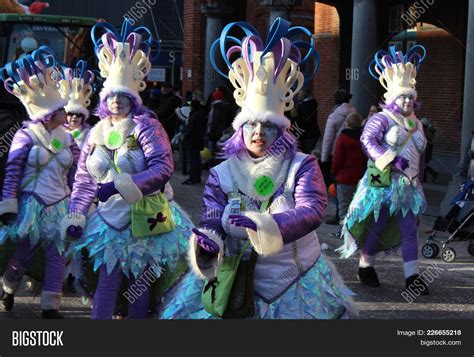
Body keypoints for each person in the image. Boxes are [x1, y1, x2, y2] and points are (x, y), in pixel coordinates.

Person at [159, 18, 357, 319]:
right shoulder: (222, 172)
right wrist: (209, 241)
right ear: (241, 129)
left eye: (268, 126)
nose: (258, 133)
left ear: (282, 131)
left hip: (296, 278)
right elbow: (212, 215)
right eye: (251, 124)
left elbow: (313, 210)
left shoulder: (301, 166)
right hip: (236, 277)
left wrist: (265, 225)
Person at [61, 19, 193, 319]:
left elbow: (163, 167)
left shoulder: (146, 126)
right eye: (112, 96)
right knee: (106, 283)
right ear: (104, 99)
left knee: (139, 286)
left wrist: (121, 184)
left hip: (143, 219)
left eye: (124, 96)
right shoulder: (95, 132)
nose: (117, 101)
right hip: (107, 220)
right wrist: (77, 213)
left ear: (134, 99)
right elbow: (83, 179)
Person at [337, 45, 430, 295]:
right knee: (377, 226)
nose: (408, 100)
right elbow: (366, 142)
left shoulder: (417, 123)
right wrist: (391, 159)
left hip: (408, 186)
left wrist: (417, 178)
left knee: (410, 230)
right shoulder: (382, 119)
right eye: (403, 97)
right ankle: (366, 265)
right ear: (393, 98)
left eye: (410, 96)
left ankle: (413, 278)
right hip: (383, 183)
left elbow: (419, 156)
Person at [0, 47, 80, 318]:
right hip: (32, 203)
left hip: (59, 204)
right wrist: (8, 203)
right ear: (48, 114)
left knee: (57, 255)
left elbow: (76, 172)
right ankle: (8, 288)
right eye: (60, 111)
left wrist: (79, 202)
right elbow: (12, 170)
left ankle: (50, 306)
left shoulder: (68, 138)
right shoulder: (26, 136)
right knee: (24, 253)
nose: (65, 114)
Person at [321, 88, 356, 224]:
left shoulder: (334, 115)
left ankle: (339, 215)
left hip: (336, 153)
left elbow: (328, 139)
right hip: (352, 156)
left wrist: (324, 158)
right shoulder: (354, 112)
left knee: (337, 186)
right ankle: (348, 215)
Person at [331, 112, 366, 225]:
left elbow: (337, 159)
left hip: (343, 177)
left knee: (343, 207)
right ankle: (353, 230)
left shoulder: (343, 138)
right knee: (355, 206)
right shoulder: (363, 138)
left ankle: (344, 231)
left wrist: (334, 172)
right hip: (359, 177)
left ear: (347, 123)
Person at [182, 90, 207, 185]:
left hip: (193, 140)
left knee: (193, 160)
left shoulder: (196, 113)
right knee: (196, 159)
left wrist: (185, 136)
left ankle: (193, 177)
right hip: (197, 139)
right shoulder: (201, 112)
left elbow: (191, 128)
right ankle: (196, 177)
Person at [207, 88, 234, 155]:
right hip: (224, 132)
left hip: (216, 134)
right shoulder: (228, 107)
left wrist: (211, 134)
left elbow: (214, 122)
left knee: (213, 152)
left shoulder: (216, 108)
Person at [295, 88, 320, 154]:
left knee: (305, 153)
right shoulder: (313, 103)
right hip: (313, 133)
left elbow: (300, 121)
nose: (298, 95)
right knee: (308, 152)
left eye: (300, 94)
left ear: (304, 94)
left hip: (306, 134)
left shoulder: (303, 106)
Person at [420, 117, 438, 182]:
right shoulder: (425, 131)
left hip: (427, 148)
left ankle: (433, 174)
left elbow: (429, 139)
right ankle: (425, 178)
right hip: (425, 148)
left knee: (424, 164)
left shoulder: (427, 131)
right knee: (423, 164)